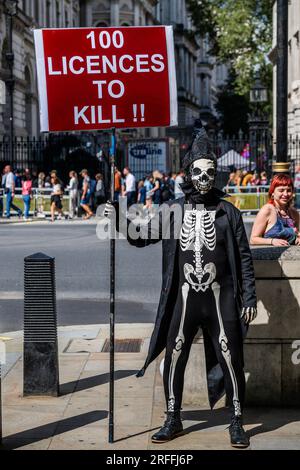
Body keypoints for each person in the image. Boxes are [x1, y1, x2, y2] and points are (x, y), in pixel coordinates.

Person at [104, 122, 257, 448]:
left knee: (231, 358)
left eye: (209, 172)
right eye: (198, 173)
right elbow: (140, 236)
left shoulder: (228, 212)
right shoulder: (173, 209)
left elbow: (244, 258)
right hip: (185, 297)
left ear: (215, 174)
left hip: (221, 296)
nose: (204, 179)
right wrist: (118, 217)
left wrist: (250, 297)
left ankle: (236, 421)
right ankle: (173, 417)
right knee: (174, 356)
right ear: (188, 174)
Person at [250, 173, 300, 246]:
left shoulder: (294, 213)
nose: (285, 194)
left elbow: (297, 234)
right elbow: (253, 239)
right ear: (272, 192)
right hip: (270, 255)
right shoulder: (267, 210)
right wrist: (272, 241)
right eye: (281, 190)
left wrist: (298, 238)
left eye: (289, 190)